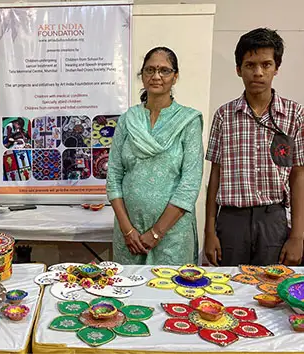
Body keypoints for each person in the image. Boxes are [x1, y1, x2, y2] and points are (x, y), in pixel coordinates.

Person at [205, 28, 304, 266]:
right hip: (231, 221)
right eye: (250, 65)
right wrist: (209, 231)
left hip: (273, 220)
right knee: (229, 289)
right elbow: (215, 175)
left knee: (273, 289)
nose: (258, 72)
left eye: (266, 64)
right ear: (239, 69)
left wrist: (298, 235)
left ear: (276, 68)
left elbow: (298, 175)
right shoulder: (224, 115)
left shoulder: (293, 115)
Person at [106, 47, 204, 265]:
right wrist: (127, 229)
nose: (156, 76)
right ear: (142, 75)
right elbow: (113, 176)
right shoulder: (128, 120)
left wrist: (157, 233)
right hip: (128, 235)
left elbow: (189, 183)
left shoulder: (188, 121)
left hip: (172, 235)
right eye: (150, 70)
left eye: (164, 70)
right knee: (128, 294)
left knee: (170, 294)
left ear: (175, 76)